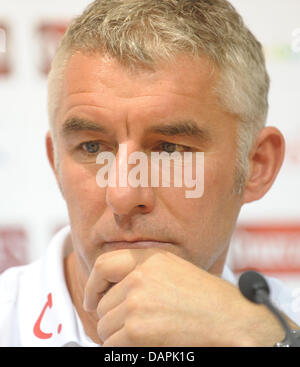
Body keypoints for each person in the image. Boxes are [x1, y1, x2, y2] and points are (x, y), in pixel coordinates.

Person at [0, 0, 299, 347]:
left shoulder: (284, 325)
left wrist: (262, 337)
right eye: (93, 148)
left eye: (169, 149)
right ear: (56, 164)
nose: (123, 195)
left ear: (256, 165)